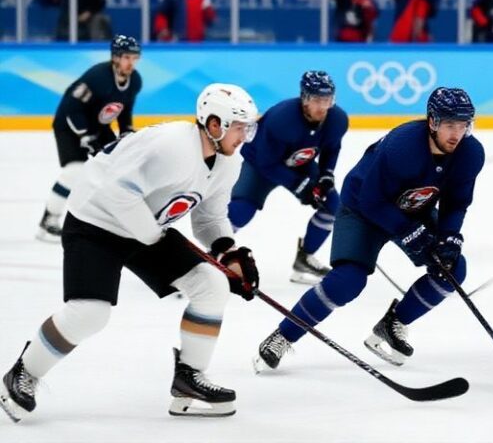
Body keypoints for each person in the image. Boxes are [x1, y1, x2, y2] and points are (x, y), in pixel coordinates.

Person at [1, 84, 260, 422]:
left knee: (211, 284)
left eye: (248, 128)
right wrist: (153, 236)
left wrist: (228, 253)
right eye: (240, 127)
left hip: (142, 226)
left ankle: (188, 380)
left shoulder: (227, 163)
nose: (245, 136)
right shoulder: (172, 146)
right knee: (89, 313)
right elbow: (117, 192)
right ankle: (24, 372)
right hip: (96, 220)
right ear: (214, 125)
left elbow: (209, 216)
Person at [253, 87, 484, 370]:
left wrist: (449, 236)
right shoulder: (403, 145)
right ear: (433, 122)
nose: (457, 134)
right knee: (347, 281)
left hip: (414, 209)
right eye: (450, 124)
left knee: (452, 267)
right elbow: (371, 200)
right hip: (362, 209)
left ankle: (394, 323)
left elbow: (456, 202)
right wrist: (407, 230)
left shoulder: (470, 153)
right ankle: (284, 334)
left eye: (463, 125)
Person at [228, 71, 349, 284]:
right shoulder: (281, 119)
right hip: (260, 165)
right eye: (317, 100)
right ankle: (212, 255)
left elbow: (332, 148)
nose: (323, 106)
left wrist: (326, 176)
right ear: (304, 98)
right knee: (242, 211)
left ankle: (305, 260)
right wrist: (301, 186)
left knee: (332, 204)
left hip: (298, 162)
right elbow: (267, 162)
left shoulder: (337, 119)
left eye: (327, 100)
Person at [38, 35, 142, 241]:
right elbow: (71, 108)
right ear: (115, 57)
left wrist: (127, 132)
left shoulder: (135, 81)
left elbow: (124, 110)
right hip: (69, 125)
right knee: (74, 171)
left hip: (98, 126)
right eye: (127, 57)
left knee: (114, 169)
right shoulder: (97, 77)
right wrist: (85, 135)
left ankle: (107, 222)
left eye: (135, 58)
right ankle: (48, 222)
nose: (131, 62)